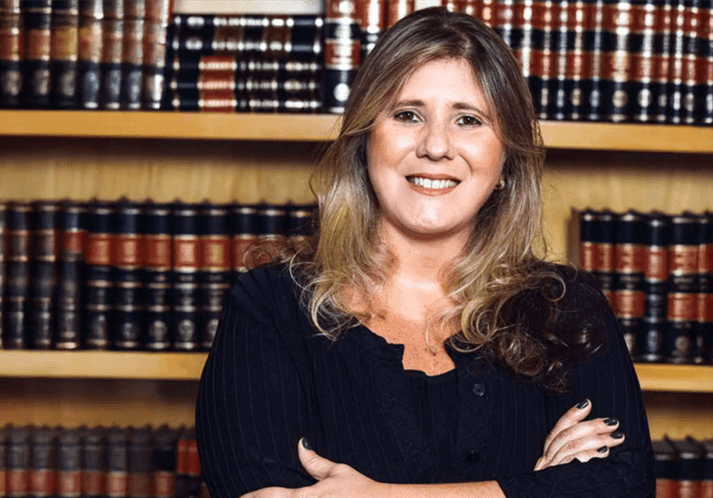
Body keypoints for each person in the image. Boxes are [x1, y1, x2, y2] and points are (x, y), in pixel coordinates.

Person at [196, 7, 654, 498]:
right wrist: (537, 489)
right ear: (365, 139)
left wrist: (381, 496)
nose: (436, 147)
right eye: (408, 115)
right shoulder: (270, 306)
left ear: (506, 159)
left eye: (468, 120)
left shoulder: (567, 307)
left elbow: (623, 486)